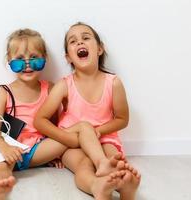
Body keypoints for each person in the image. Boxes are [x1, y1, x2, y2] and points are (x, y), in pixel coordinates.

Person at [34, 22, 141, 200]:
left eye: (85, 38)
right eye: (73, 41)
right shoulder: (64, 85)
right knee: (83, 165)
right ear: (68, 57)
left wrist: (98, 131)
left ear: (99, 49)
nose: (80, 43)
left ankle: (126, 187)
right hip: (72, 143)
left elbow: (122, 119)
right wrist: (67, 139)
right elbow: (40, 120)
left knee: (116, 162)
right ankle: (96, 186)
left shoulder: (113, 82)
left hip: (104, 138)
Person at [0, 28, 68, 200]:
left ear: (44, 58)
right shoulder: (4, 92)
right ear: (9, 60)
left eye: (34, 58)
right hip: (11, 149)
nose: (28, 65)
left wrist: (55, 152)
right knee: (0, 167)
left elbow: (55, 126)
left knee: (70, 136)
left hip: (38, 150)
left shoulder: (51, 88)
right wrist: (5, 148)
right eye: (20, 60)